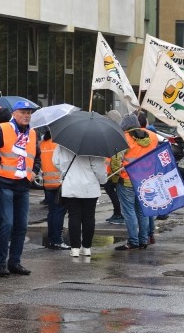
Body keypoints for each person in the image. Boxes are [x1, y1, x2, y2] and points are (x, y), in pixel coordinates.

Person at [0, 101, 41, 277]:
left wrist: (34, 171)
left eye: (29, 112)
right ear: (15, 113)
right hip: (3, 182)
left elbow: (37, 156)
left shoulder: (33, 133)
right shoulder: (3, 129)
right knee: (6, 224)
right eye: (23, 112)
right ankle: (0, 264)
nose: (27, 115)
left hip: (22, 184)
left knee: (21, 225)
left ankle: (15, 262)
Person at [111, 113, 159, 251]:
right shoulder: (152, 137)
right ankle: (143, 240)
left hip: (127, 181)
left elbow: (116, 162)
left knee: (129, 212)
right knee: (142, 211)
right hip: (146, 181)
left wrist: (115, 179)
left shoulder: (123, 138)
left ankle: (133, 241)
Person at [53, 145, 107, 257]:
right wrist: (103, 180)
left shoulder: (62, 145)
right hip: (90, 187)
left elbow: (55, 161)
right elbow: (99, 168)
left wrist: (65, 172)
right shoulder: (94, 146)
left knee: (74, 216)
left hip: (71, 185)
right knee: (89, 217)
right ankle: (87, 248)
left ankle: (75, 248)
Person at [40, 128, 69, 250]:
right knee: (59, 212)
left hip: (47, 182)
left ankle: (52, 239)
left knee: (52, 211)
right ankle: (57, 240)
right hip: (59, 182)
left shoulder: (42, 144)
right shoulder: (60, 143)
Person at [104, 110, 125, 224]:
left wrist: (115, 173)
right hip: (115, 170)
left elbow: (116, 156)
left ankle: (118, 214)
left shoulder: (114, 133)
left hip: (115, 172)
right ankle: (118, 213)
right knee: (114, 191)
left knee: (111, 190)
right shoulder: (119, 132)